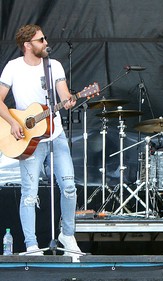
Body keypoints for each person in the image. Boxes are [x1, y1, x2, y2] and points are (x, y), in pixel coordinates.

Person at [0, 24, 82, 257]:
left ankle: (67, 234)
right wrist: (14, 122)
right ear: (27, 45)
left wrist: (69, 100)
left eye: (45, 38)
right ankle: (31, 245)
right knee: (29, 193)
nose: (46, 43)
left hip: (55, 135)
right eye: (41, 40)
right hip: (28, 138)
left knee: (68, 186)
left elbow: (64, 93)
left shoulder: (53, 65)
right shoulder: (13, 68)